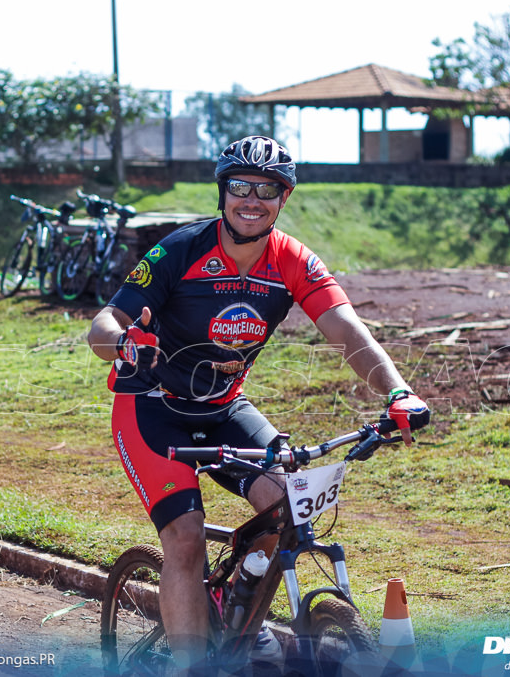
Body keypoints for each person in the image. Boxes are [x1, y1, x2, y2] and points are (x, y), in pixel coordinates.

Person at [86, 136, 430, 673]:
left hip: (224, 408)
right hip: (152, 409)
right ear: (222, 193)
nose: (252, 199)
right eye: (241, 186)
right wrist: (125, 342)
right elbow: (103, 324)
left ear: (283, 198)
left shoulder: (292, 260)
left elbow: (348, 331)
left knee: (287, 506)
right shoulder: (180, 249)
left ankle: (239, 602)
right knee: (185, 537)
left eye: (266, 189)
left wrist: (396, 391)